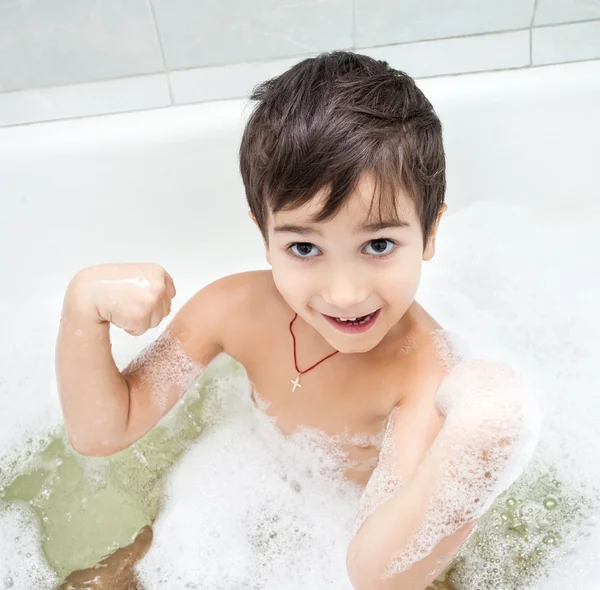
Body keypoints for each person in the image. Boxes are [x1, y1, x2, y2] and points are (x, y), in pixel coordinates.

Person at [56, 51, 539, 590]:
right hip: (239, 505)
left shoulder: (425, 375)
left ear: (429, 235)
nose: (344, 292)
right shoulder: (233, 308)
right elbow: (104, 430)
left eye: (378, 244)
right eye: (304, 247)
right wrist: (83, 309)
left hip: (380, 541)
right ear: (264, 236)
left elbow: (375, 574)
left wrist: (474, 450)